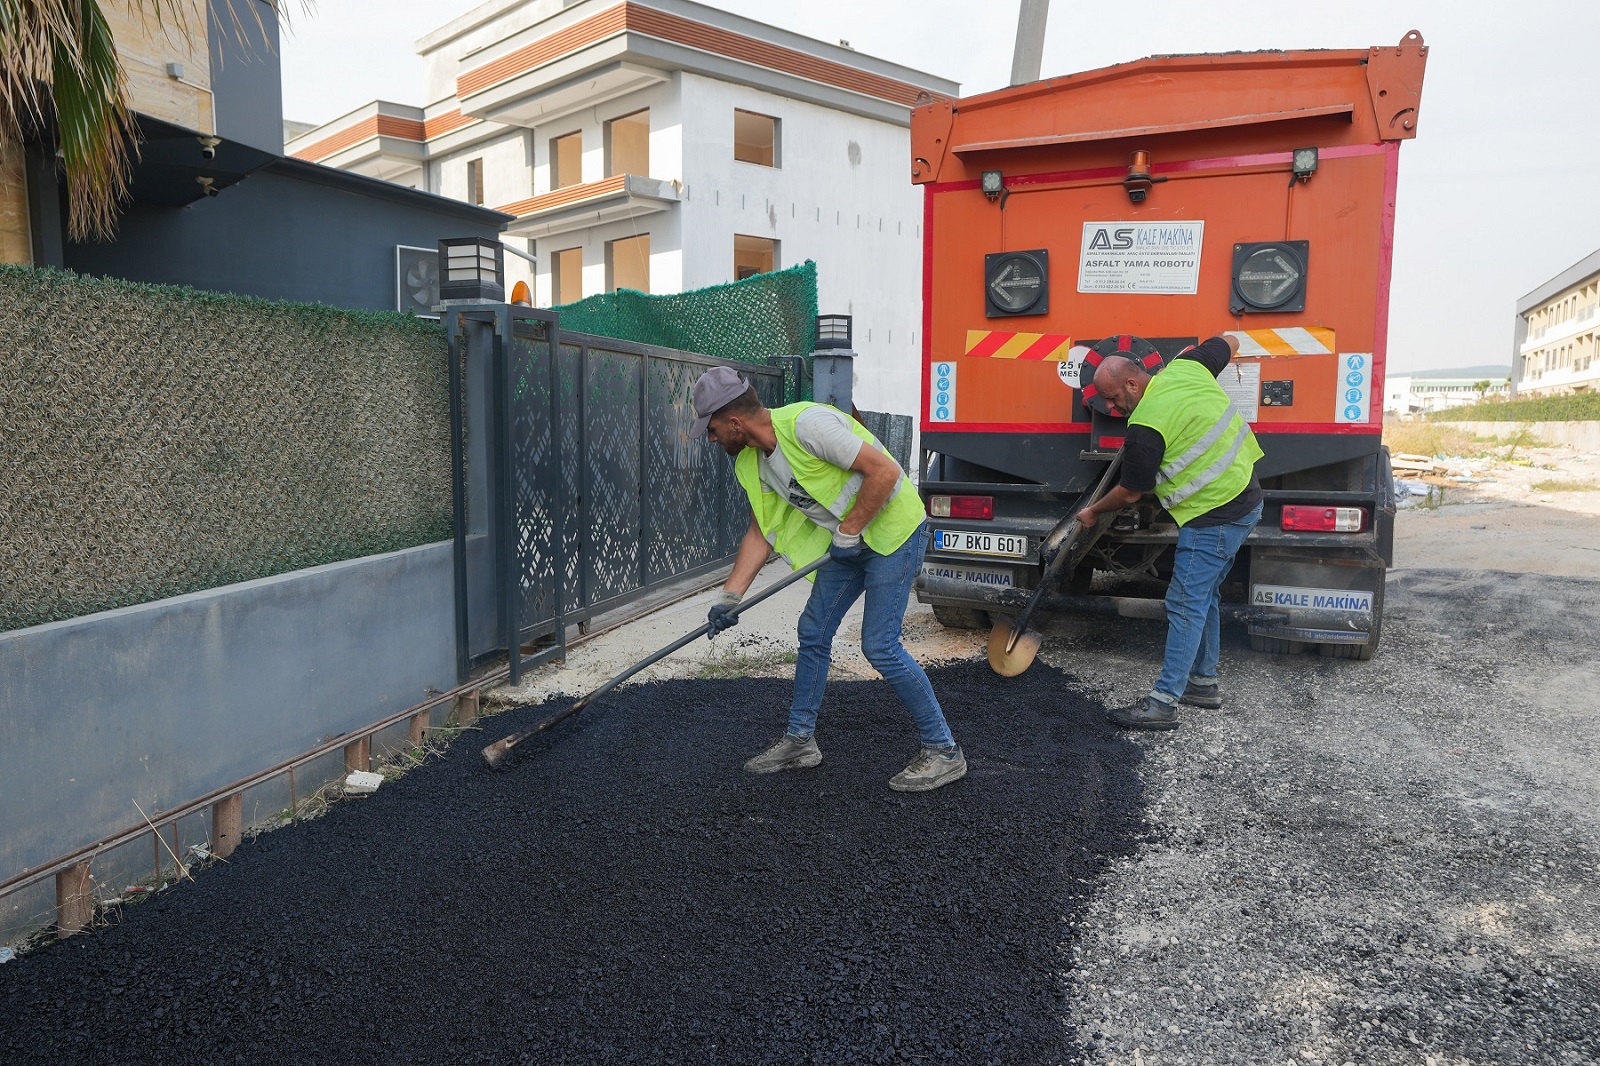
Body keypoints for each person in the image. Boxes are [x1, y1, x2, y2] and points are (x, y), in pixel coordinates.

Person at [689, 365, 966, 792]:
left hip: (892, 534)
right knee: (814, 630)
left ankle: (944, 751)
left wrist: (851, 529)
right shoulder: (750, 460)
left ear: (734, 422)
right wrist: (730, 597)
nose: (710, 439)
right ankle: (800, 742)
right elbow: (761, 529)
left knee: (880, 644)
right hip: (847, 540)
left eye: (710, 429)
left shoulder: (808, 426)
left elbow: (885, 473)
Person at [1074, 334, 1264, 730]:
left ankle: (1164, 702)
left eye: (1111, 398)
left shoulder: (1145, 426)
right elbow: (1228, 341)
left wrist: (1092, 511)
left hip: (1215, 514)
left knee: (1184, 601)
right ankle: (1204, 682)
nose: (1110, 408)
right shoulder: (1187, 367)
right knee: (1204, 592)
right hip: (1246, 496)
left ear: (1132, 383)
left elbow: (1130, 492)